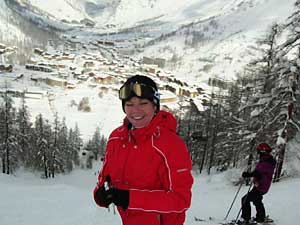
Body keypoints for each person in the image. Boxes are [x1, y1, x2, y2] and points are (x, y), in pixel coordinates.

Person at [93, 75, 193, 225]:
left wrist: (129, 198)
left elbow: (180, 200)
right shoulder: (116, 138)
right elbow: (105, 178)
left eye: (143, 103)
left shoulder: (171, 145)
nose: (136, 110)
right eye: (129, 104)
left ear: (155, 106)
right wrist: (100, 194)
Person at [239, 143, 277, 224]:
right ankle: (260, 217)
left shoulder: (267, 162)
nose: (258, 153)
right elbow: (258, 172)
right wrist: (250, 174)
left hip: (261, 186)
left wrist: (250, 174)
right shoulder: (265, 160)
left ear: (263, 151)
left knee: (245, 200)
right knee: (257, 200)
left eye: (259, 151)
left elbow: (262, 173)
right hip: (260, 185)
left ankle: (245, 219)